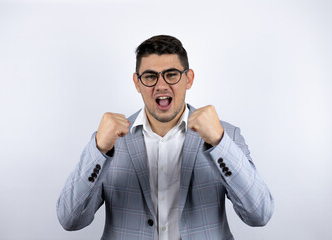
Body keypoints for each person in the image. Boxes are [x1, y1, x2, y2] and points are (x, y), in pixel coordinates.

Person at [56, 35, 274, 240]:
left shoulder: (225, 136)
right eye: (150, 76)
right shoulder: (109, 140)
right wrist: (99, 150)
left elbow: (259, 215)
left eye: (171, 74)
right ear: (137, 83)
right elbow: (70, 220)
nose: (161, 85)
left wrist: (219, 142)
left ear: (188, 79)